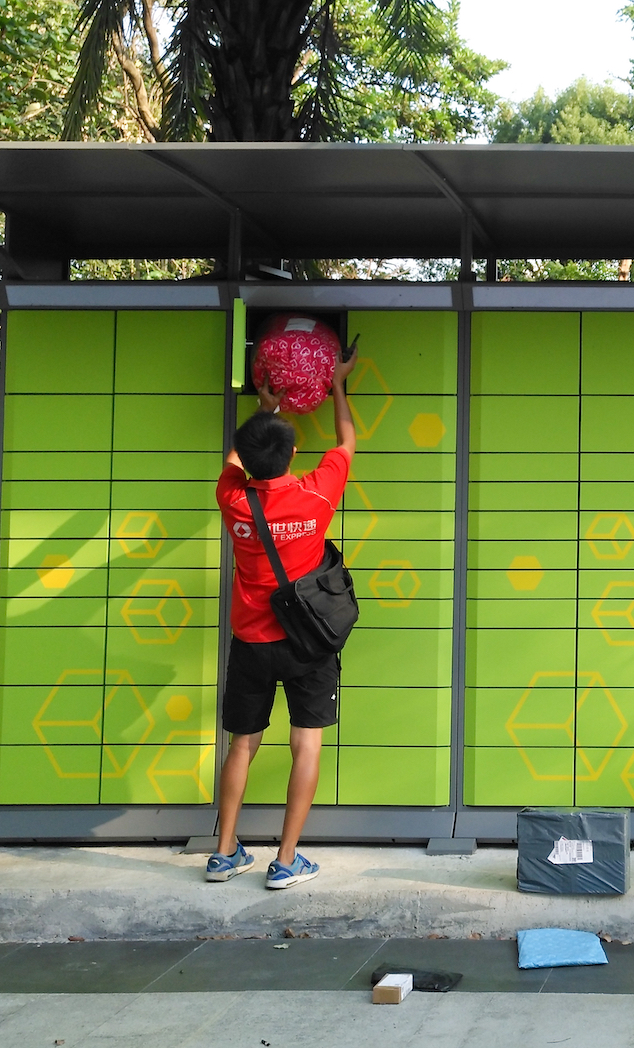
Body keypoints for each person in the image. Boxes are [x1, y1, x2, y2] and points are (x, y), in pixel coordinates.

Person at [206, 345, 357, 888]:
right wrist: (336, 383)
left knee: (242, 743)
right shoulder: (316, 495)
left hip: (251, 640)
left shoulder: (233, 501)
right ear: (293, 457)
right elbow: (346, 442)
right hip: (308, 643)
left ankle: (224, 853)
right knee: (306, 742)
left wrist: (265, 410)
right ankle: (286, 859)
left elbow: (233, 464)